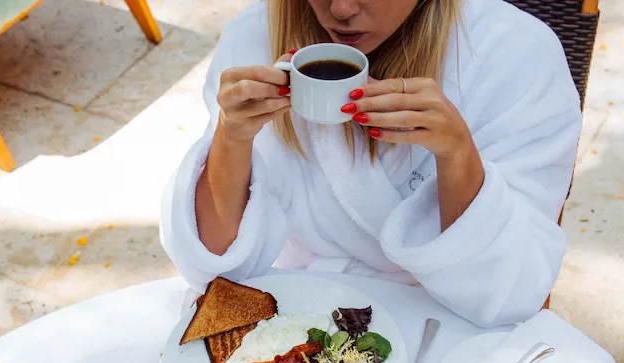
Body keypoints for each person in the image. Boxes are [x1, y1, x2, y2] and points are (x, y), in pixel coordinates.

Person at [161, 0, 582, 326]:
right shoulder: (255, 35)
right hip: (289, 312)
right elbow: (212, 262)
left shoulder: (514, 55)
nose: (341, 8)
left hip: (443, 320)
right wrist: (232, 136)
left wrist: (457, 156)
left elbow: (514, 288)